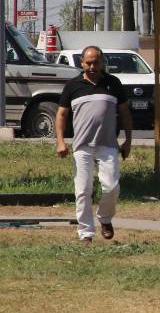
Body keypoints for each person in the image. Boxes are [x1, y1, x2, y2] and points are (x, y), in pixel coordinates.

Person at [55, 45, 133, 244]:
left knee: (112, 187)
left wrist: (128, 140)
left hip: (108, 145)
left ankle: (104, 218)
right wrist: (60, 142)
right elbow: (61, 114)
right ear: (82, 63)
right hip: (82, 146)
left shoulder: (113, 83)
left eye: (96, 62)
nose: (92, 66)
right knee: (83, 191)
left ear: (102, 63)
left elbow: (125, 113)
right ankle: (86, 233)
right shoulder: (73, 86)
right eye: (88, 63)